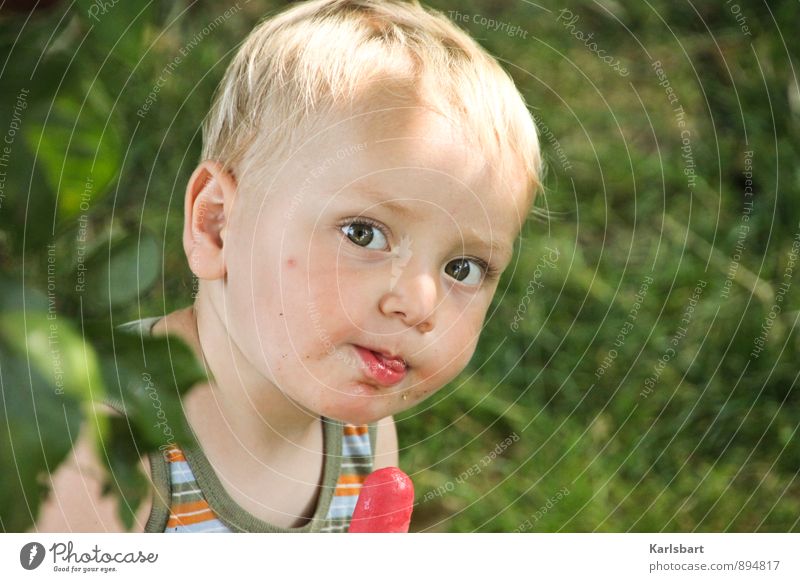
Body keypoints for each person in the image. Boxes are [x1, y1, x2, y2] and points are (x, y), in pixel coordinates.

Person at [36, 0, 541, 532]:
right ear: (216, 225)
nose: (419, 303)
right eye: (364, 234)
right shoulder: (104, 450)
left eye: (462, 268)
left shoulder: (364, 442)